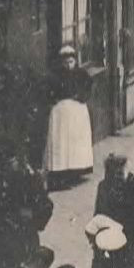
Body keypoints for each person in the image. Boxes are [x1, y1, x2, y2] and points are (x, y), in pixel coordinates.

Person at [42, 45, 94, 188]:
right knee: (62, 142)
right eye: (65, 62)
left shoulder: (81, 73)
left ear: (75, 61)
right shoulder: (55, 76)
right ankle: (61, 171)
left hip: (77, 113)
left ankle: (77, 170)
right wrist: (54, 100)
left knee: (76, 142)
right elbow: (49, 92)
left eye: (71, 62)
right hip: (62, 114)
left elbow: (89, 85)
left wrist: (82, 96)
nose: (68, 65)